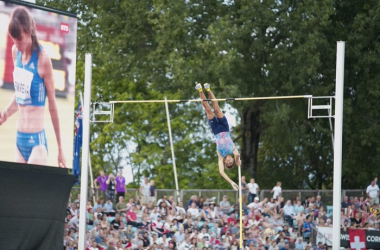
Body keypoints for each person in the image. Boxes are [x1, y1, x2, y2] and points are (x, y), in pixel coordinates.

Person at [0, 6, 65, 167]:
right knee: (17, 192)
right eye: (13, 38)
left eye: (19, 38)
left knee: (29, 191)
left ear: (29, 31)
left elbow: (52, 105)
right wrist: (6, 114)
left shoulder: (43, 60)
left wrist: (60, 148)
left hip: (37, 143)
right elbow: (21, 95)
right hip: (19, 140)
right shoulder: (16, 52)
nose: (15, 43)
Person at [195, 83, 241, 190]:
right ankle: (209, 89)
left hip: (216, 130)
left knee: (208, 109)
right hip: (225, 128)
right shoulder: (233, 150)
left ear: (225, 162)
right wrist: (238, 160)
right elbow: (237, 154)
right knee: (216, 108)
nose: (229, 162)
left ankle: (200, 91)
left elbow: (221, 172)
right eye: (231, 163)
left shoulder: (220, 156)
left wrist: (231, 182)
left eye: (228, 164)